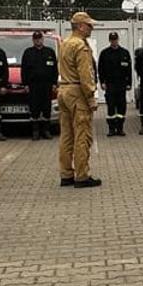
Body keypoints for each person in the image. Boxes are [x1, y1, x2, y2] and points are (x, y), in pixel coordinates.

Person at [54, 12, 102, 188]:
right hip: (77, 92)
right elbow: (85, 74)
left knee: (66, 135)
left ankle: (66, 173)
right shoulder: (81, 46)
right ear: (81, 26)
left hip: (64, 88)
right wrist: (91, 96)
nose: (91, 28)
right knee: (82, 134)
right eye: (89, 25)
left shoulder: (65, 43)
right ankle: (82, 175)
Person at [20, 31, 58, 140]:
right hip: (33, 85)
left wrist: (54, 83)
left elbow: (55, 70)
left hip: (47, 85)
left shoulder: (49, 52)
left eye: (40, 38)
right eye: (36, 39)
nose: (38, 41)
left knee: (46, 108)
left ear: (43, 39)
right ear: (33, 40)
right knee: (34, 109)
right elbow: (24, 70)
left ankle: (46, 131)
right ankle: (35, 132)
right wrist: (25, 84)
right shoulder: (28, 52)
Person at [98, 31, 132, 137]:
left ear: (118, 40)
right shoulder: (104, 53)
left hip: (121, 84)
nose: (114, 41)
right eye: (112, 40)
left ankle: (120, 128)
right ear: (110, 40)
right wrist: (102, 82)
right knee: (111, 107)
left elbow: (129, 70)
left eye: (115, 39)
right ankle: (111, 129)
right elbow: (101, 69)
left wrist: (129, 83)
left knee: (121, 107)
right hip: (110, 84)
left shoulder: (124, 53)